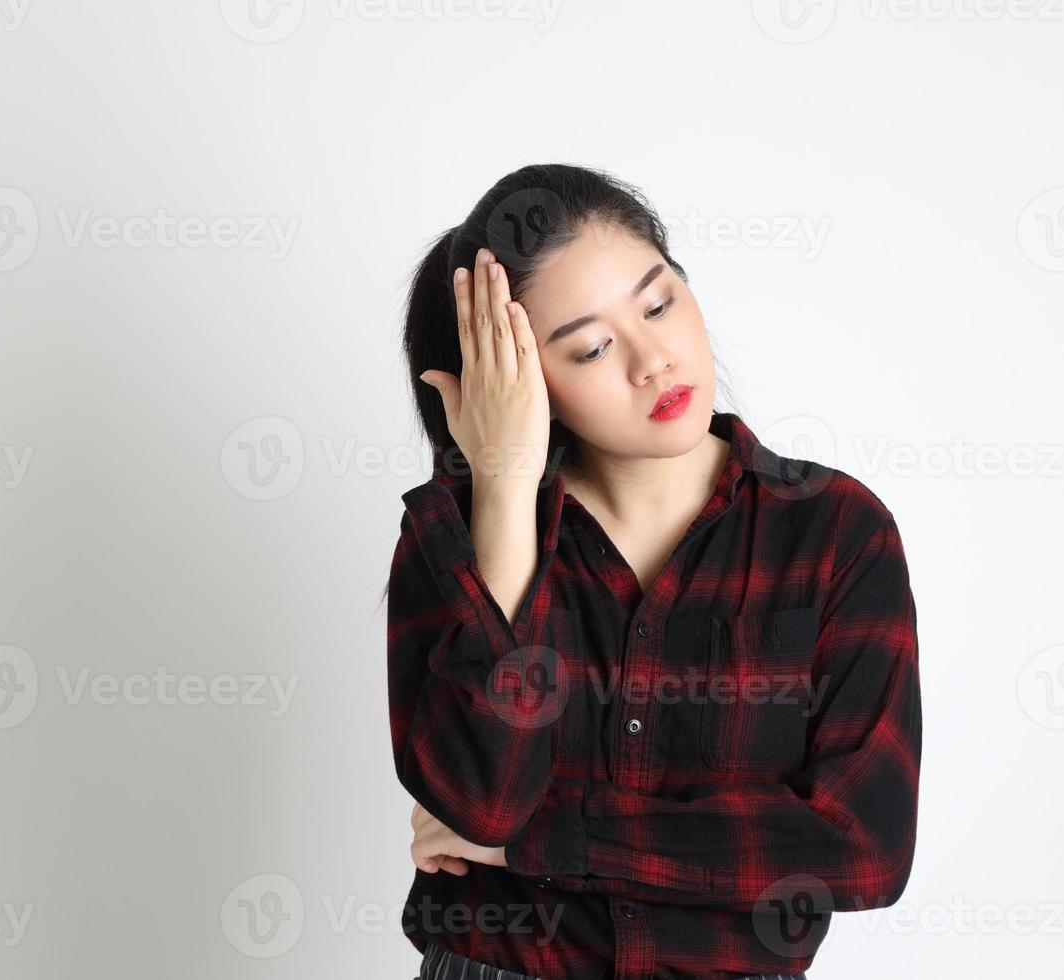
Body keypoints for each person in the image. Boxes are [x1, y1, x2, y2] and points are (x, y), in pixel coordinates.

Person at [386, 163, 921, 979]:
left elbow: (862, 848)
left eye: (659, 302)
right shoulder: (451, 539)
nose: (651, 361)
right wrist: (500, 485)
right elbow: (481, 804)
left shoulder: (835, 534)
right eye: (592, 347)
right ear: (522, 384)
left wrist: (547, 840)